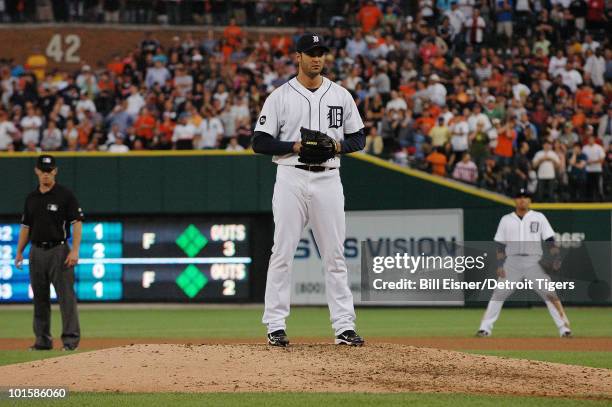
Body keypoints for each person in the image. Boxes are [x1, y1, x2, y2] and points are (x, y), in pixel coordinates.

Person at [252, 33, 365, 347]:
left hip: (328, 178)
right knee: (282, 253)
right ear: (298, 57)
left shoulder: (340, 95)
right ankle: (275, 325)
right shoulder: (279, 96)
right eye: (311, 52)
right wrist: (294, 146)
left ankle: (344, 327)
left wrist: (339, 146)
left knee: (335, 256)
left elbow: (360, 138)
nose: (317, 58)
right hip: (291, 176)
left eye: (321, 53)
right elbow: (259, 142)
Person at [477, 188, 572, 338]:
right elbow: (500, 245)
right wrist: (500, 265)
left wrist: (556, 257)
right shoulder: (506, 219)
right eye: (519, 196)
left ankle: (564, 328)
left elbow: (550, 240)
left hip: (533, 261)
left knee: (550, 294)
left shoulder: (539, 217)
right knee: (498, 294)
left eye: (525, 197)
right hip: (512, 262)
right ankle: (485, 328)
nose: (522, 199)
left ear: (530, 200)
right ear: (515, 200)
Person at [14, 155, 84, 351]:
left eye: (49, 170)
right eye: (43, 170)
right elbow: (26, 227)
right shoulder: (31, 198)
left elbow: (76, 223)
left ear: (55, 171)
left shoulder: (65, 195)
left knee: (66, 298)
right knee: (40, 298)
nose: (46, 174)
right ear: (37, 171)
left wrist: (75, 250)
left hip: (59, 251)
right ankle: (42, 341)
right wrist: (19, 251)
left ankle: (70, 341)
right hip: (36, 251)